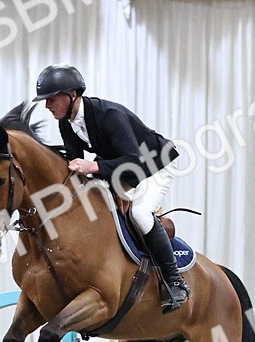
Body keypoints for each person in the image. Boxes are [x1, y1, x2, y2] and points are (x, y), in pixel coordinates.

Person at [33, 64, 189, 313]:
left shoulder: (109, 114)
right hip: (124, 169)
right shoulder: (67, 123)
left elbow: (133, 160)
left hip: (154, 163)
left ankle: (176, 281)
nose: (47, 106)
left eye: (51, 99)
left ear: (71, 95)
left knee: (139, 213)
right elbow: (76, 167)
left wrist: (93, 166)